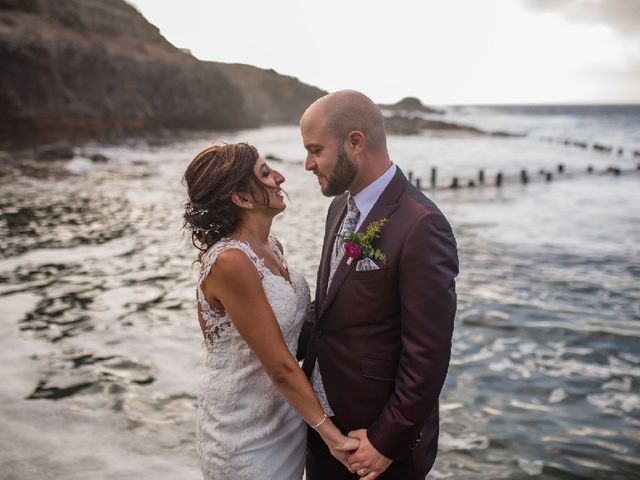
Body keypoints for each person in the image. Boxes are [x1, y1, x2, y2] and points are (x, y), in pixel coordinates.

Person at [298, 90, 459, 480]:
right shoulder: (339, 206)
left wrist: (385, 442)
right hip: (325, 432)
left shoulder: (421, 225)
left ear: (355, 142)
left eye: (315, 149)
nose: (307, 164)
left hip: (374, 446)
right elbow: (329, 305)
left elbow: (428, 354)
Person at [183, 143, 358, 480]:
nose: (280, 178)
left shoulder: (273, 247)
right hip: (242, 430)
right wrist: (332, 437)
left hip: (287, 415)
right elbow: (279, 366)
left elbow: (295, 326)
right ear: (242, 199)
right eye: (265, 174)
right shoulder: (231, 262)